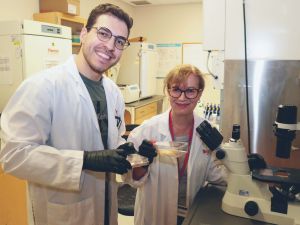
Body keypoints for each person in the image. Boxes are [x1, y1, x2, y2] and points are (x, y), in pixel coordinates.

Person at [0, 3, 156, 225]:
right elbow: (13, 156)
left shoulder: (112, 92)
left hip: (105, 209)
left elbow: (113, 143)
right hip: (64, 213)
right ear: (84, 34)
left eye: (120, 41)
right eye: (103, 33)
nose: (110, 46)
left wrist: (134, 155)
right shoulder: (42, 87)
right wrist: (84, 161)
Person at [125, 64, 227, 225]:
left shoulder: (207, 132)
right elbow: (132, 179)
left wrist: (241, 168)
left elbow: (216, 174)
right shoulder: (146, 131)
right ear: (168, 91)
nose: (182, 97)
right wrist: (143, 162)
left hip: (191, 212)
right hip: (155, 213)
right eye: (176, 89)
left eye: (190, 91)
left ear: (199, 94)